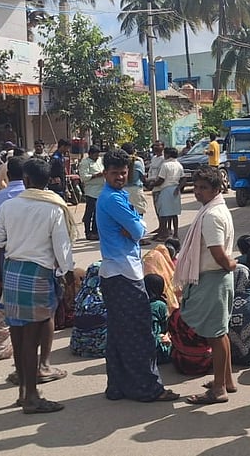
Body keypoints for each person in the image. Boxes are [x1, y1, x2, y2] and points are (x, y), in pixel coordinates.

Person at [0, 157, 77, 414]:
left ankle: (23, 392)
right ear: (48, 180)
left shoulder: (9, 206)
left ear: (25, 180)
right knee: (33, 339)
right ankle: (31, 396)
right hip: (38, 273)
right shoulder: (54, 208)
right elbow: (62, 246)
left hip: (12, 271)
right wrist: (68, 274)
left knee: (18, 337)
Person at [96, 148, 180, 403]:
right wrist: (133, 226)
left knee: (120, 333)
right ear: (105, 174)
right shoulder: (113, 199)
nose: (120, 177)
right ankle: (148, 388)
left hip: (116, 272)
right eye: (114, 173)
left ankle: (118, 387)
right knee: (140, 334)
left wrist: (133, 227)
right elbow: (138, 228)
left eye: (123, 173)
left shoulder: (117, 196)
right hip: (123, 272)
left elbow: (136, 229)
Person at [175, 165, 238, 404]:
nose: (198, 192)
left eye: (203, 188)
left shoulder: (211, 215)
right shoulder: (215, 209)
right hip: (214, 277)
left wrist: (229, 265)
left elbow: (217, 252)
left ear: (215, 189)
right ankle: (227, 381)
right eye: (196, 187)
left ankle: (219, 388)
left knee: (216, 333)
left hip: (214, 278)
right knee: (220, 331)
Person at [151, 147, 183, 241]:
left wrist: (152, 184)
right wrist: (179, 187)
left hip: (165, 189)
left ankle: (164, 234)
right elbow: (183, 178)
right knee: (174, 213)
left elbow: (161, 179)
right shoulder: (179, 165)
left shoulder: (165, 165)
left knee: (164, 213)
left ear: (168, 155)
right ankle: (175, 233)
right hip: (175, 189)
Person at [145, 274, 173, 364]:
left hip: (140, 348)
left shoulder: (139, 303)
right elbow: (166, 326)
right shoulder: (160, 305)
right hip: (156, 348)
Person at [79, 146, 104, 241]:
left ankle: (95, 231)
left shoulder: (99, 160)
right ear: (90, 154)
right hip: (91, 191)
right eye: (95, 155)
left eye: (98, 154)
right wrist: (96, 175)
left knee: (98, 213)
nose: (97, 156)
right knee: (89, 212)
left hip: (101, 190)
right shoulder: (85, 163)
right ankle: (87, 232)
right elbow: (84, 177)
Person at [123, 143, 150, 223]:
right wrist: (149, 185)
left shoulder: (121, 163)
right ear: (134, 151)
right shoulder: (138, 163)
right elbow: (142, 178)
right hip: (136, 191)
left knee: (126, 215)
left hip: (123, 191)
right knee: (139, 214)